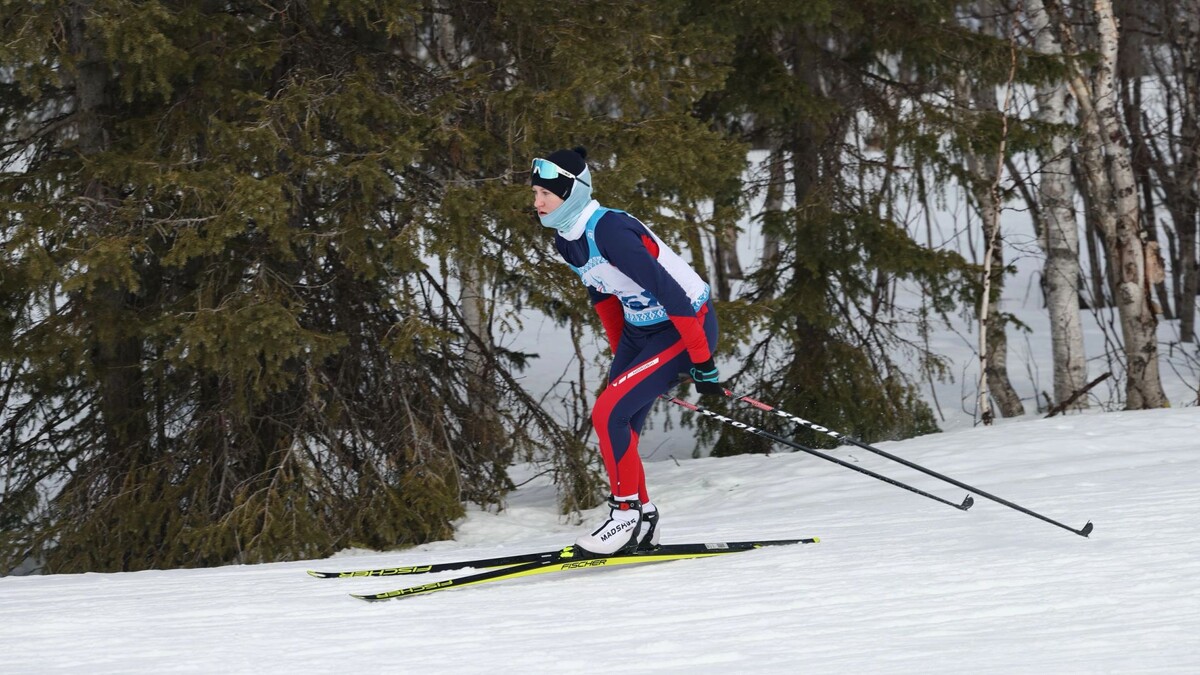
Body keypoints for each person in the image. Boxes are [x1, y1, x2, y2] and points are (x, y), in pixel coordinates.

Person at [530, 146, 724, 557]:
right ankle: (644, 517)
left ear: (573, 192)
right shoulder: (567, 240)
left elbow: (671, 292)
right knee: (620, 422)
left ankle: (624, 514)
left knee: (607, 413)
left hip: (682, 323)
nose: (538, 202)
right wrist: (630, 369)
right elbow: (603, 297)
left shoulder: (611, 230)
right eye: (535, 194)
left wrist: (702, 361)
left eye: (546, 193)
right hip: (641, 333)